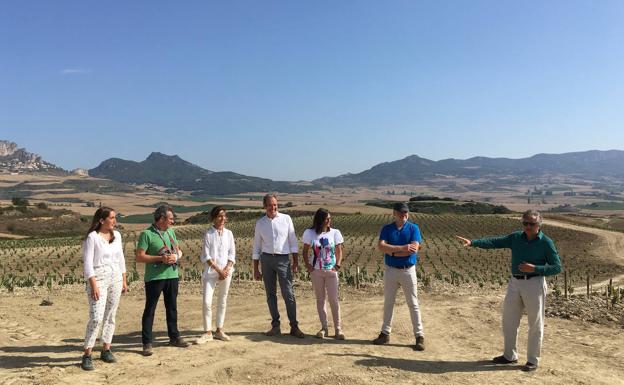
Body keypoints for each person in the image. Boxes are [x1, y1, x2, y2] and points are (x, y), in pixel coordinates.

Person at [457, 209, 562, 372]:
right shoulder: (515, 238)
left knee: (535, 323)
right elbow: (495, 242)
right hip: (515, 282)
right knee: (509, 320)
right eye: (525, 223)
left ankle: (533, 360)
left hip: (535, 284)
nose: (527, 227)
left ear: (539, 224)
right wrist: (473, 243)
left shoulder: (546, 243)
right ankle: (509, 355)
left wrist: (535, 268)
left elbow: (557, 267)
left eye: (531, 224)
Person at [136, 205, 189, 356]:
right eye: (171, 219)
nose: (173, 222)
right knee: (150, 310)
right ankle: (147, 343)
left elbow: (178, 250)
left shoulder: (171, 232)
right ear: (161, 219)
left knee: (172, 308)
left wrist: (176, 256)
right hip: (154, 278)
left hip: (172, 276)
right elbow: (139, 257)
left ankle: (174, 337)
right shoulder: (147, 234)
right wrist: (161, 258)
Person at [372, 202, 425, 351]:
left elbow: (413, 249)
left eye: (406, 213)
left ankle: (419, 336)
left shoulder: (414, 228)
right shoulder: (387, 229)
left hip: (408, 270)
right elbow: (381, 246)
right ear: (394, 213)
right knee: (388, 302)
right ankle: (385, 333)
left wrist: (392, 251)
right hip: (391, 270)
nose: (404, 215)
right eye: (401, 213)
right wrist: (401, 249)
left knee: (413, 303)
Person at [81, 207, 128, 371]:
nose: (115, 220)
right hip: (98, 278)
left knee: (111, 315)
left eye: (115, 217)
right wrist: (93, 284)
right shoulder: (92, 238)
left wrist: (124, 280)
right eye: (112, 218)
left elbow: (121, 259)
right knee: (96, 317)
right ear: (102, 220)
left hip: (115, 277)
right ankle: (87, 354)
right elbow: (87, 264)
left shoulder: (117, 236)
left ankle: (106, 349)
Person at [252, 194, 305, 338]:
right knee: (270, 294)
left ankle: (294, 326)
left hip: (283, 260)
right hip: (266, 260)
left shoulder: (286, 219)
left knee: (288, 294)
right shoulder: (260, 223)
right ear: (264, 206)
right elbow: (257, 246)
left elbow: (293, 242)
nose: (273, 207)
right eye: (270, 205)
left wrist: (295, 262)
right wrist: (256, 268)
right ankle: (275, 326)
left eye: (275, 204)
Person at [302, 208, 345, 340]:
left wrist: (337, 265)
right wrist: (309, 266)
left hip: (331, 272)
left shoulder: (335, 233)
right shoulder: (309, 233)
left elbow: (339, 251)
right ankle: (324, 328)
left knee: (334, 300)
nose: (329, 221)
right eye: (327, 219)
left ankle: (338, 329)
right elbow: (304, 251)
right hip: (317, 272)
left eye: (330, 218)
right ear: (320, 220)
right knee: (320, 300)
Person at [196, 206, 236, 344]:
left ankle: (219, 330)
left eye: (224, 216)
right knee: (207, 301)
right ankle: (207, 331)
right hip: (211, 272)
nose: (223, 218)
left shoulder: (229, 234)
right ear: (213, 218)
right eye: (219, 216)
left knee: (222, 300)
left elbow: (232, 253)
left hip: (226, 272)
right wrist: (219, 270)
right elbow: (206, 256)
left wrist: (227, 269)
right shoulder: (208, 234)